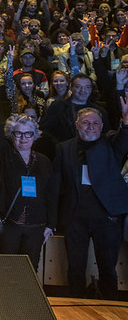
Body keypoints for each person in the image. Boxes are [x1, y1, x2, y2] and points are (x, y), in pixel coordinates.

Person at [48, 103, 128, 300]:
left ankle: (110, 309)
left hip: (107, 218)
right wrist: (51, 220)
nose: (90, 127)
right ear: (77, 124)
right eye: (85, 123)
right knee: (75, 267)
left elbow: (124, 140)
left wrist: (126, 124)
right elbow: (54, 186)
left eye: (95, 123)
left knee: (107, 268)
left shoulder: (111, 145)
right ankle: (76, 308)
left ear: (102, 127)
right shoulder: (63, 148)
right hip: (75, 218)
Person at [0, 79, 53, 271]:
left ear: (35, 135)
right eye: (18, 134)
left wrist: (50, 225)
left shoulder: (44, 161)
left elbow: (51, 194)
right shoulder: (5, 156)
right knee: (6, 269)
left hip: (36, 225)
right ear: (11, 136)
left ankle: (27, 302)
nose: (23, 138)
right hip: (10, 223)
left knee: (30, 269)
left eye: (28, 134)